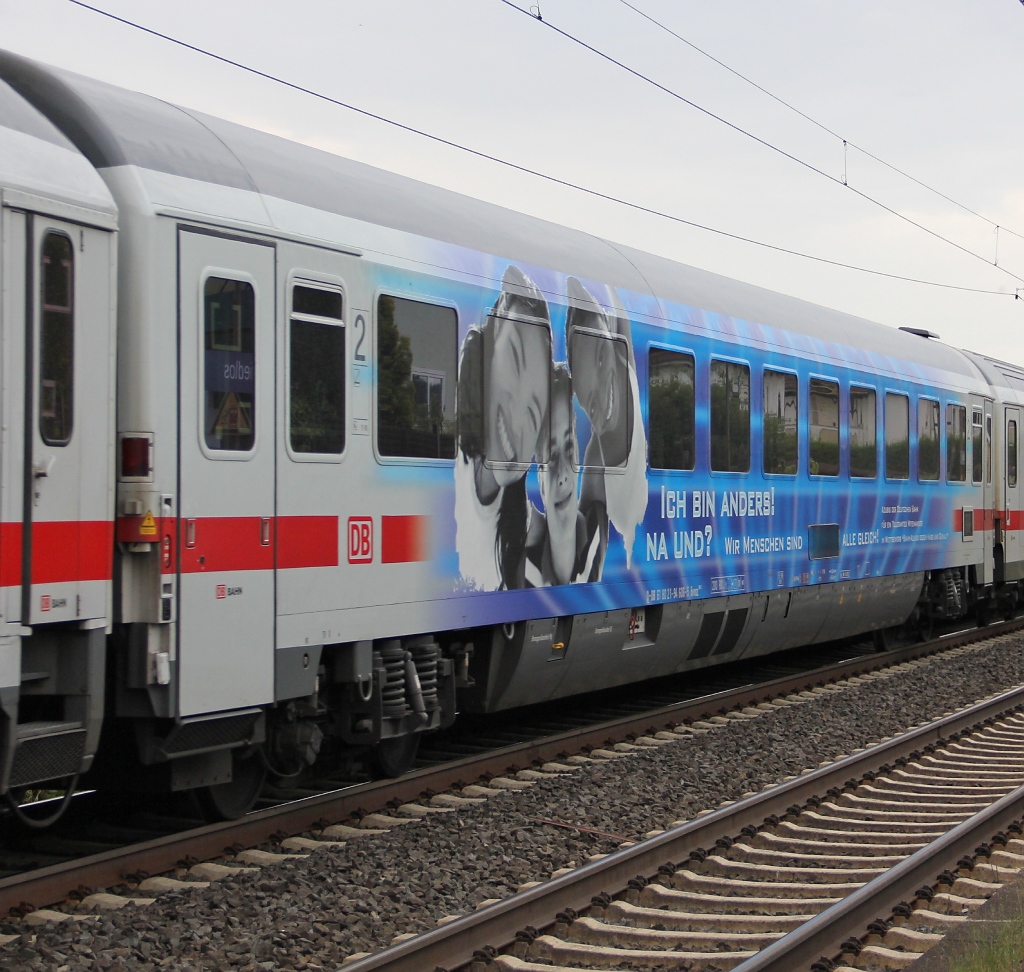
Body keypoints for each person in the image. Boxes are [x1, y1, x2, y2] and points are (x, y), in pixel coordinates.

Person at [455, 265, 552, 590]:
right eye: (514, 360)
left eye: (535, 410)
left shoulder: (523, 523)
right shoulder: (452, 476)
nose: (520, 421)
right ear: (486, 358)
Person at [565, 277, 648, 569]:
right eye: (589, 400)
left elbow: (619, 304)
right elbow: (585, 538)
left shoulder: (624, 360)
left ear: (613, 347)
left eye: (601, 359)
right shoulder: (595, 463)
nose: (600, 396)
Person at [524, 365, 604, 587]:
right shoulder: (524, 572)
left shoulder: (598, 534)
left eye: (569, 446)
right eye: (551, 456)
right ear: (539, 479)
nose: (562, 475)